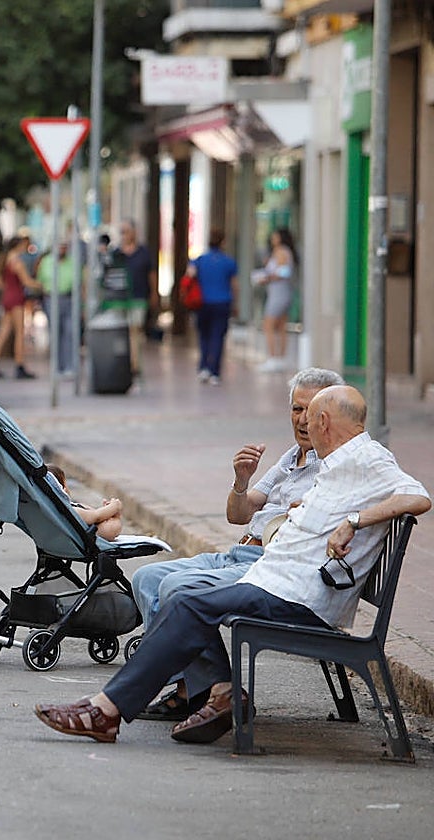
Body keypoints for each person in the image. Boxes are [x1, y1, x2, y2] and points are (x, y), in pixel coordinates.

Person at [33, 385, 430, 745]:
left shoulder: (367, 457)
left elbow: (418, 496)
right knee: (183, 592)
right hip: (275, 581)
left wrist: (353, 522)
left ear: (324, 422)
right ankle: (219, 692)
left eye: (308, 420)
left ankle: (107, 710)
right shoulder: (340, 463)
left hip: (298, 596)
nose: (304, 429)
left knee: (187, 601)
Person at [129, 367, 344, 722]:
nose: (303, 420)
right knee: (148, 579)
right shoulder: (292, 457)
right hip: (238, 554)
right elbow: (238, 515)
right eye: (296, 409)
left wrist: (307, 514)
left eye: (312, 411)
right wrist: (241, 482)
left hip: (272, 567)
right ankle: (194, 688)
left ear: (331, 415)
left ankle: (217, 691)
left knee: (176, 587)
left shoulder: (335, 466)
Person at [187, 229, 238, 384]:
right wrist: (236, 304)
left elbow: (189, 275)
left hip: (203, 303)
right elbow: (235, 285)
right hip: (222, 302)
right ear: (223, 242)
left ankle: (204, 368)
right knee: (218, 337)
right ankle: (214, 372)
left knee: (204, 336)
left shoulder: (199, 260)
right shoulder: (229, 262)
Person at [0, 235, 39, 380]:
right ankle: (20, 365)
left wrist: (8, 288)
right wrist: (42, 285)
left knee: (3, 333)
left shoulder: (4, 260)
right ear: (19, 245)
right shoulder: (17, 262)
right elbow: (27, 281)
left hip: (7, 297)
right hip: (16, 298)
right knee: (19, 333)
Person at [112, 220, 155, 376]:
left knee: (135, 330)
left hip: (138, 296)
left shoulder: (143, 253)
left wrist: (153, 293)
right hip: (119, 298)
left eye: (127, 231)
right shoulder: (116, 253)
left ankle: (134, 364)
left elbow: (151, 274)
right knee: (120, 331)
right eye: (122, 232)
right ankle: (121, 362)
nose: (124, 235)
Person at [254, 228, 297, 373]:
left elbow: (284, 272)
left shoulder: (282, 252)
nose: (273, 239)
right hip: (279, 292)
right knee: (281, 325)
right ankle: (280, 358)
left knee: (269, 324)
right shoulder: (279, 252)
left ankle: (273, 358)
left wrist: (266, 278)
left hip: (279, 293)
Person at [46, 464, 122, 541]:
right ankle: (115, 517)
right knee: (105, 521)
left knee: (89, 510)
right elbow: (97, 516)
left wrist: (105, 511)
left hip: (64, 541)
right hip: (92, 537)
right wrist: (114, 506)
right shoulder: (72, 512)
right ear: (63, 490)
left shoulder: (44, 512)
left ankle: (107, 514)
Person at [36, 240, 78, 375]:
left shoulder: (72, 262)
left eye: (64, 246)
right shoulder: (46, 262)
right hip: (51, 299)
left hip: (69, 298)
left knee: (70, 332)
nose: (62, 249)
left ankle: (69, 366)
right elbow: (40, 281)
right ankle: (57, 366)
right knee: (55, 333)